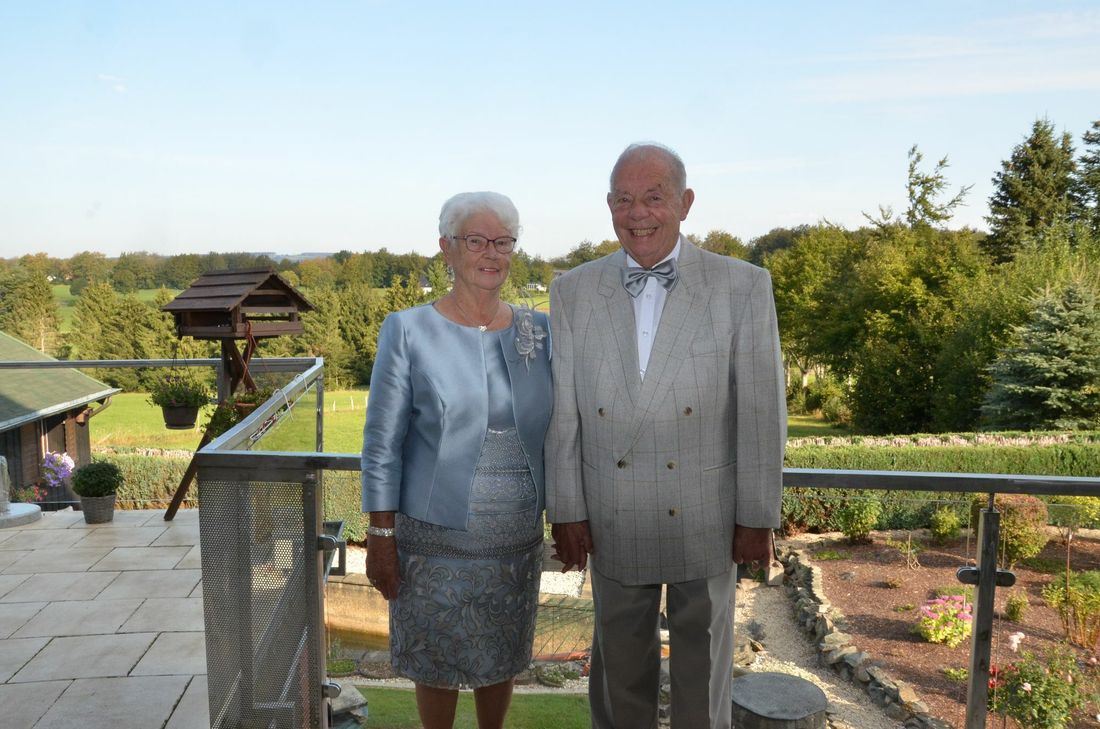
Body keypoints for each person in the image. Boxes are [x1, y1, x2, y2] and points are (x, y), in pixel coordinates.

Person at [546, 143, 786, 729]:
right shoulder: (573, 290)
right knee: (619, 681)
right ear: (608, 207)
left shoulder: (742, 286)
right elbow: (564, 413)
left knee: (703, 685)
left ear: (685, 203)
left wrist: (757, 516)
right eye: (624, 199)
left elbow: (761, 411)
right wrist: (567, 509)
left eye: (654, 197)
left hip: (706, 514)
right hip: (612, 513)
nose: (639, 213)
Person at [361, 191, 552, 729]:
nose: (491, 252)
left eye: (503, 241)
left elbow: (560, 433)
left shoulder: (539, 331)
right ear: (446, 248)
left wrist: (569, 514)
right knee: (436, 659)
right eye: (476, 240)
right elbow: (381, 442)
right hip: (431, 535)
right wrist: (380, 537)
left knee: (502, 653)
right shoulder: (407, 329)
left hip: (515, 538)